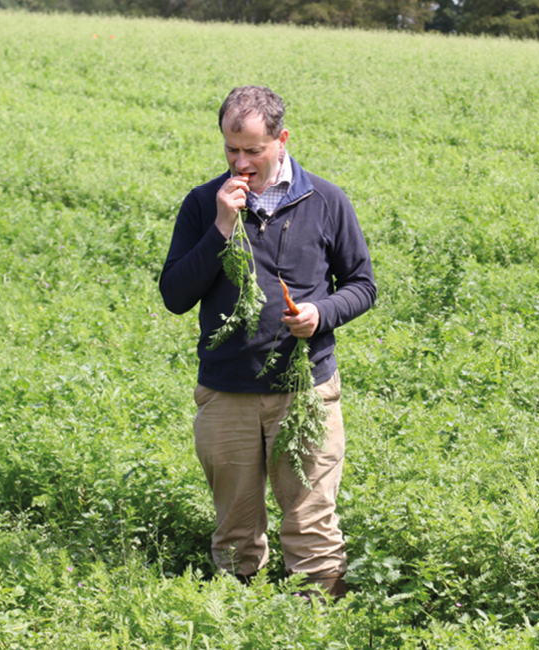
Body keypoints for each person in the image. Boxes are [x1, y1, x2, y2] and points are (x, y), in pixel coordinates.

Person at [158, 85, 375, 599]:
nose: (241, 162)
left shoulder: (324, 200)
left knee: (313, 523)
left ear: (281, 140)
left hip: (305, 390)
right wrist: (220, 227)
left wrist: (322, 314)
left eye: (253, 150)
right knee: (235, 530)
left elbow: (362, 285)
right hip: (226, 392)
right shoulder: (203, 204)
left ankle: (318, 614)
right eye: (231, 149)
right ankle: (238, 617)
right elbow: (174, 296)